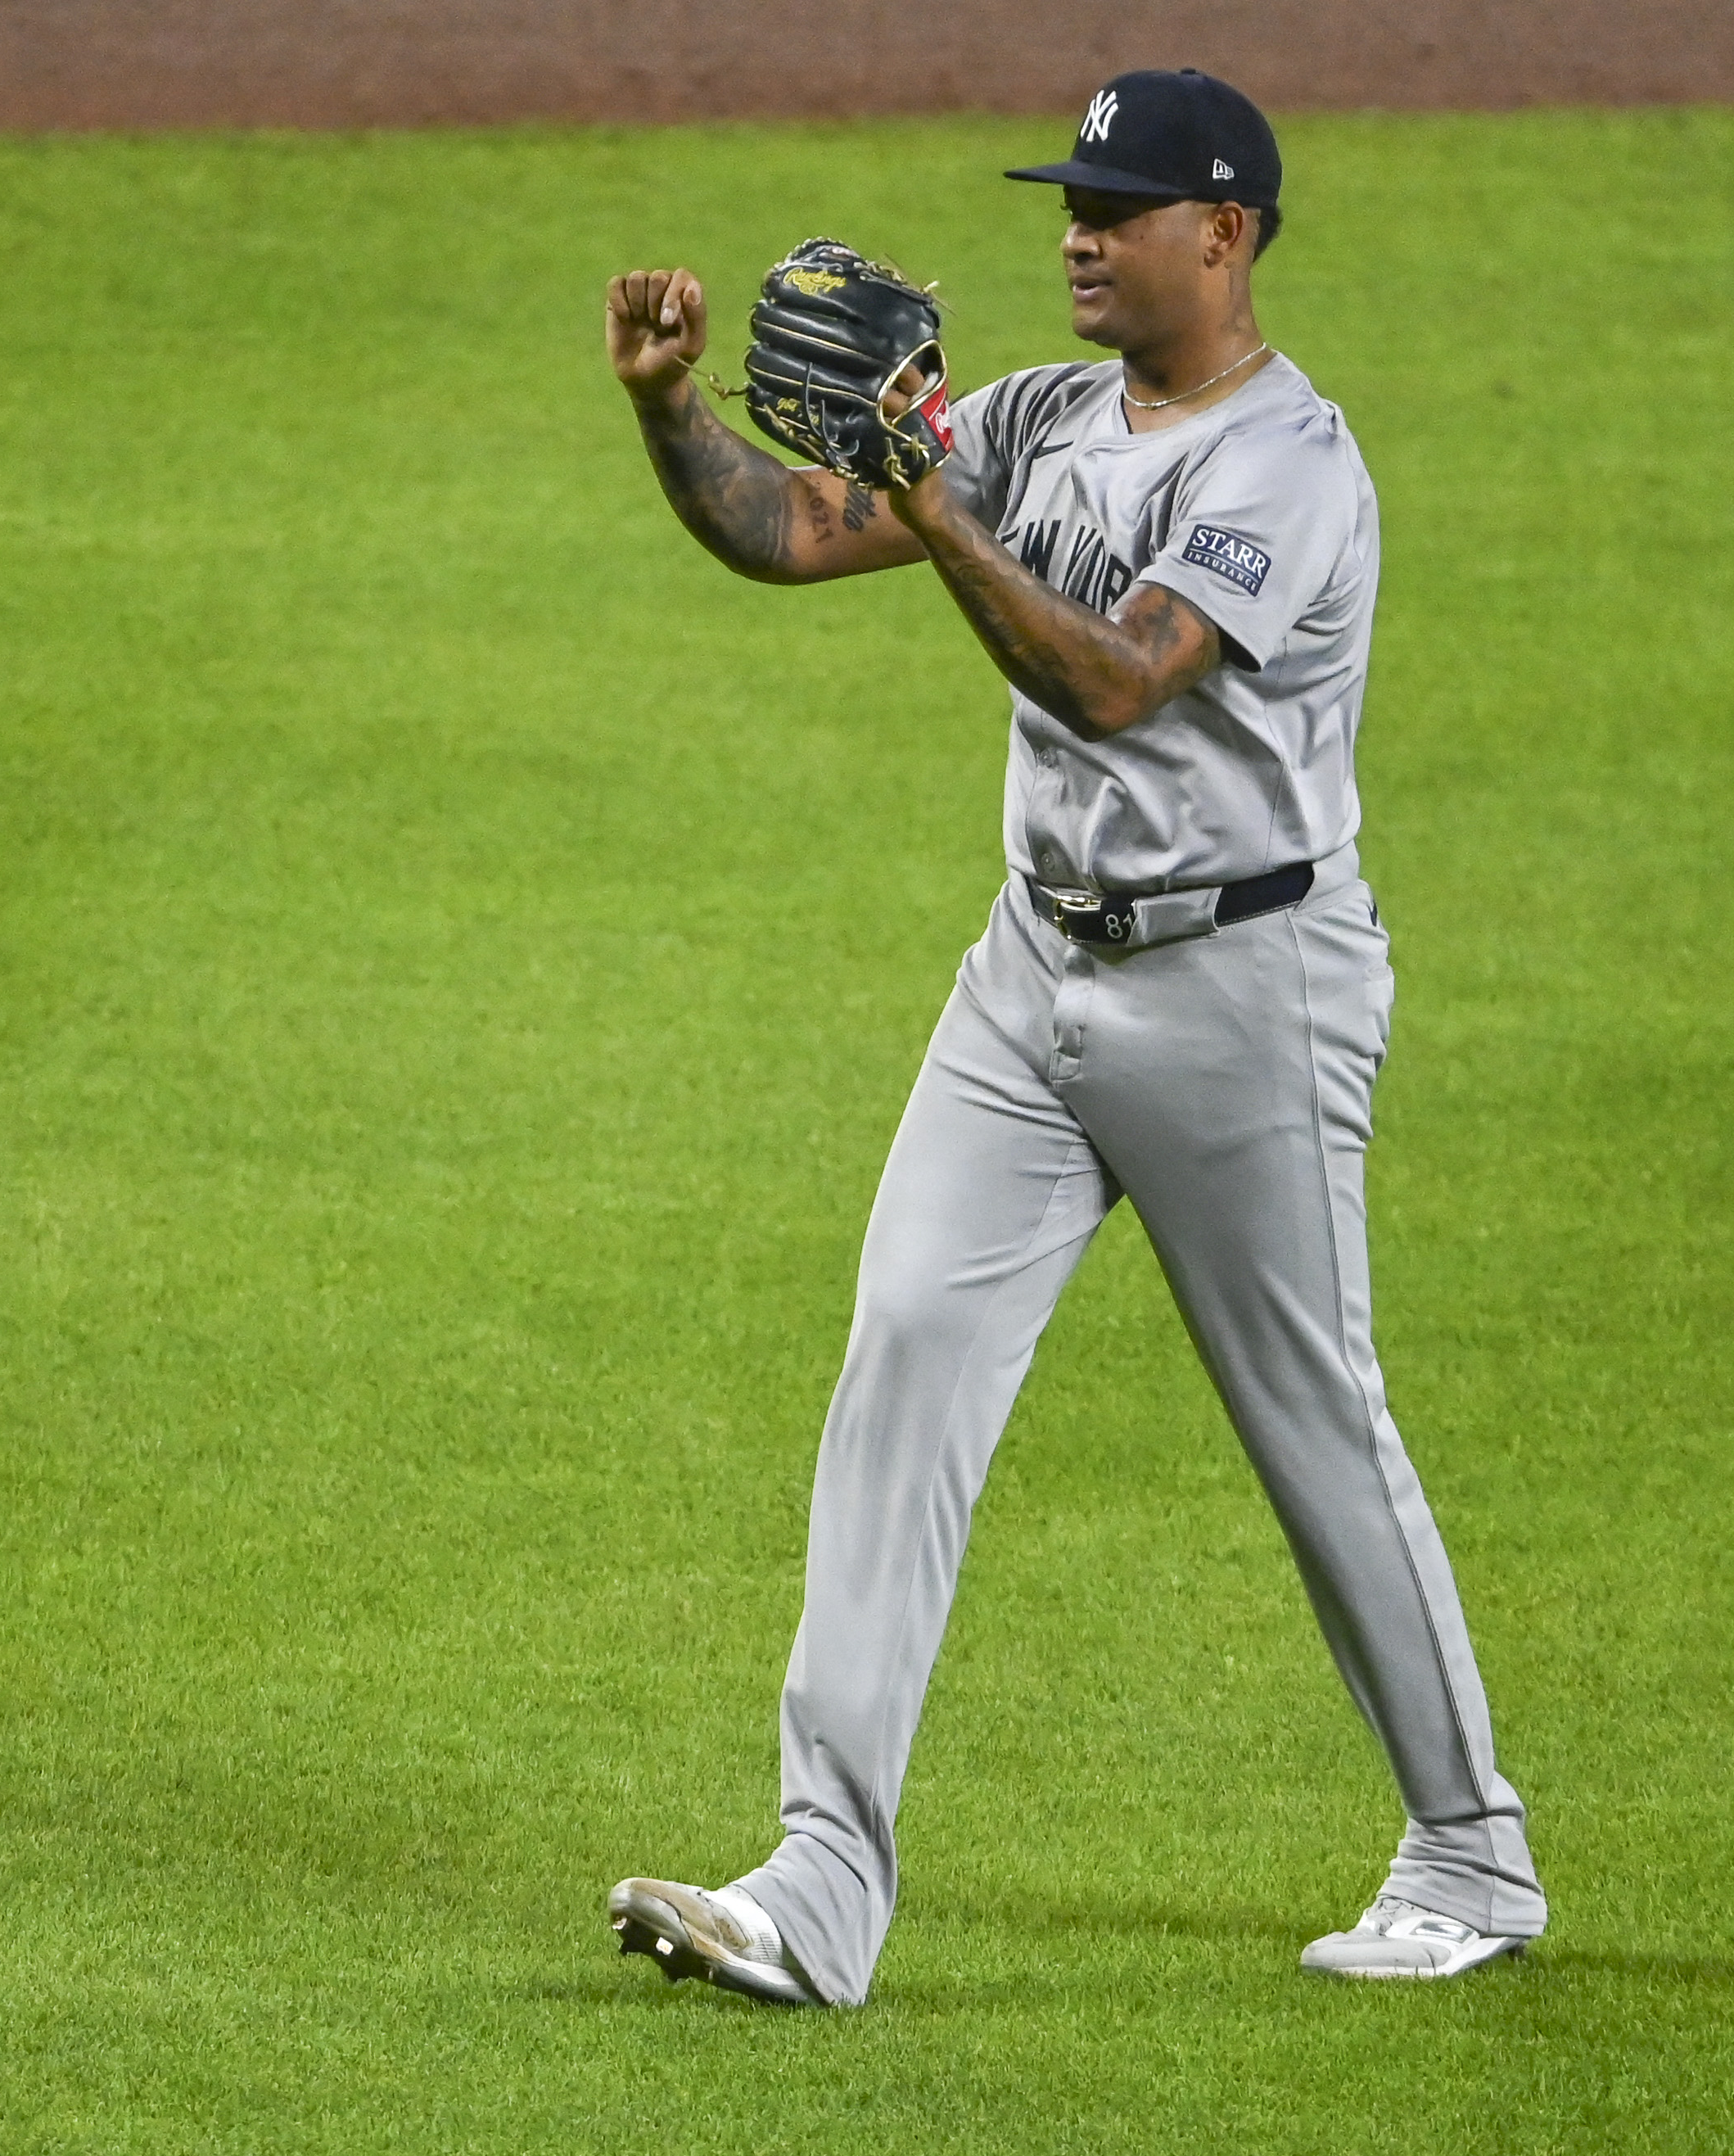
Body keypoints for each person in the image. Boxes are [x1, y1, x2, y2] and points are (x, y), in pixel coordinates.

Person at [594, 68, 1547, 2009]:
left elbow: (1115, 684)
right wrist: (667, 410)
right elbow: (787, 533)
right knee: (903, 1363)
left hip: (1242, 992)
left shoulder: (1287, 465)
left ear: (1228, 234)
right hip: (1027, 981)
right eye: (1069, 199)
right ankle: (818, 1887)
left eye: (1118, 205)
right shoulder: (1034, 413)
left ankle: (1470, 1852)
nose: (1076, 232)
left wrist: (937, 497)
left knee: (1310, 1428)